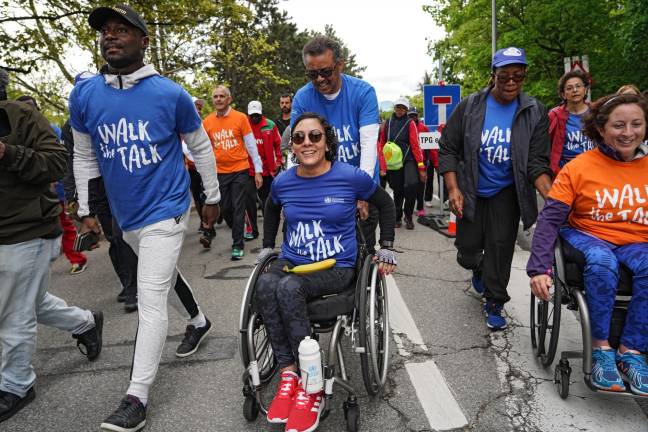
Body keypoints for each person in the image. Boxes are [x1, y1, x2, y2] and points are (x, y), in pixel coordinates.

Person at [68, 5, 221, 431]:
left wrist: (211, 195)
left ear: (143, 40)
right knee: (164, 274)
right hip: (126, 215)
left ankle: (136, 396)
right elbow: (84, 155)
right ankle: (200, 320)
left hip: (167, 208)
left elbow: (201, 145)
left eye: (121, 30)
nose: (110, 37)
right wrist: (85, 210)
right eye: (105, 32)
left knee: (150, 299)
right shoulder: (84, 95)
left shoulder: (169, 94)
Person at [255, 112, 397, 432]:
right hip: (293, 260)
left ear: (327, 141)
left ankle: (312, 385)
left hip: (335, 267)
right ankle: (289, 374)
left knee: (288, 288)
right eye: (300, 137)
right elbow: (271, 207)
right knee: (265, 285)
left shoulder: (350, 177)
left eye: (315, 136)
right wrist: (267, 246)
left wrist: (386, 246)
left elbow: (385, 204)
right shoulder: (284, 181)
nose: (307, 142)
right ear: (292, 144)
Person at [527, 93, 648, 396]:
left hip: (636, 240)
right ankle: (601, 351)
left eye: (636, 124)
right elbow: (550, 219)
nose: (628, 132)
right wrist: (538, 269)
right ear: (602, 129)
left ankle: (631, 352)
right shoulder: (580, 167)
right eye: (619, 125)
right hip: (587, 234)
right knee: (602, 263)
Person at [0, 67, 102, 423]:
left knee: (14, 312)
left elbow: (58, 162)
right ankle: (86, 323)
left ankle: (15, 384)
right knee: (31, 301)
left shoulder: (20, 115)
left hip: (24, 231)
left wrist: (7, 154)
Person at [439, 47, 553, 330]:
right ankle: (478, 268)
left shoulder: (534, 111)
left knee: (501, 249)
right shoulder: (470, 106)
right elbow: (448, 148)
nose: (511, 82)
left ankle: (495, 302)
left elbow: (536, 163)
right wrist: (453, 188)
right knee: (467, 251)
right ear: (493, 76)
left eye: (518, 76)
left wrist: (554, 200)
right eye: (504, 76)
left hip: (507, 192)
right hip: (471, 188)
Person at [291, 35, 381, 253]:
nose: (320, 79)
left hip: (359, 182)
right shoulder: (303, 98)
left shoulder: (363, 92)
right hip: (321, 188)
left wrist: (363, 192)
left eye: (326, 72)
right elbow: (297, 149)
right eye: (313, 74)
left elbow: (369, 144)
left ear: (340, 65)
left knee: (362, 252)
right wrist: (292, 192)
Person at [15, 95, 89, 275]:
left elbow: (61, 159)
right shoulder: (16, 134)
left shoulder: (52, 129)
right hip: (33, 193)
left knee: (65, 224)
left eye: (31, 108)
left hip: (57, 190)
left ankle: (78, 259)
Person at [202, 85, 263, 260]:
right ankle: (238, 228)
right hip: (220, 172)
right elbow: (203, 149)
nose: (219, 99)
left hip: (240, 170)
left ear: (229, 99)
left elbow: (251, 145)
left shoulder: (240, 118)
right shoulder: (207, 122)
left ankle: (237, 244)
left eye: (222, 96)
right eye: (215, 97)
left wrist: (258, 171)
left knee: (238, 208)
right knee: (226, 208)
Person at [378, 98, 426, 229]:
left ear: (406, 110)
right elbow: (381, 145)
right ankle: (397, 217)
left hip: (408, 159)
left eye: (403, 108)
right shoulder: (387, 123)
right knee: (397, 190)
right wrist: (382, 166)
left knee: (411, 185)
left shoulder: (410, 123)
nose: (400, 110)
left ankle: (408, 216)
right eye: (398, 107)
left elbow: (416, 145)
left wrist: (421, 166)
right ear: (394, 108)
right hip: (393, 162)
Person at [245, 100, 282, 239]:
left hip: (267, 170)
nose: (254, 118)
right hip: (249, 170)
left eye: (257, 115)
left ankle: (269, 228)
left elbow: (278, 145)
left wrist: (279, 161)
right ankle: (252, 230)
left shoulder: (270, 125)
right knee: (248, 200)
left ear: (261, 113)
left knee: (266, 200)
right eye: (252, 115)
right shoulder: (244, 125)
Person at [548, 70, 593, 174]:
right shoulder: (554, 115)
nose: (575, 90)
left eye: (578, 86)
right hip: (566, 171)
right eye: (569, 88)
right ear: (563, 94)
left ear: (585, 89)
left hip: (594, 167)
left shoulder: (596, 112)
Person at [408, 107, 437, 215]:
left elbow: (430, 146)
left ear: (417, 116)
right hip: (410, 162)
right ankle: (408, 209)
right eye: (410, 115)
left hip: (423, 162)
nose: (412, 117)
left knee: (421, 185)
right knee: (410, 186)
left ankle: (420, 208)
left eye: (414, 115)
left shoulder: (424, 128)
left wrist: (430, 160)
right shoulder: (406, 127)